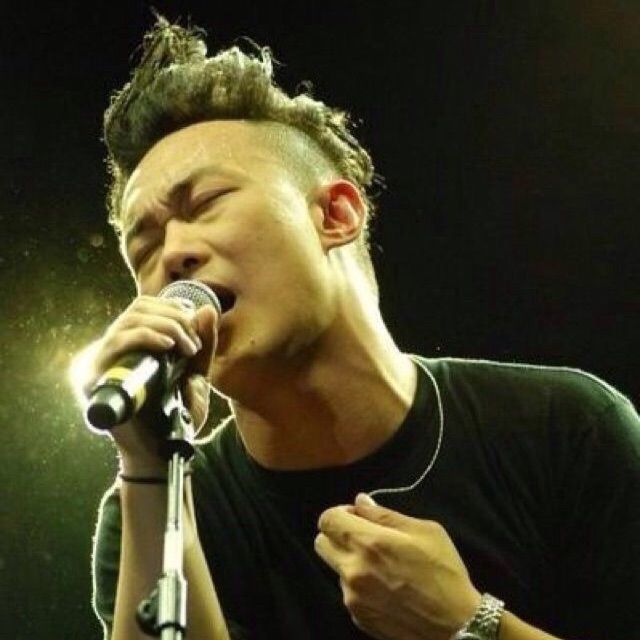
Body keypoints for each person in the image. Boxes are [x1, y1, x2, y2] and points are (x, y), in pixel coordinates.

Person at [78, 16, 640, 640]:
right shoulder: (156, 508)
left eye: (205, 204)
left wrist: (470, 625)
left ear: (336, 214)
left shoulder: (566, 430)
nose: (174, 254)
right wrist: (154, 469)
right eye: (144, 247)